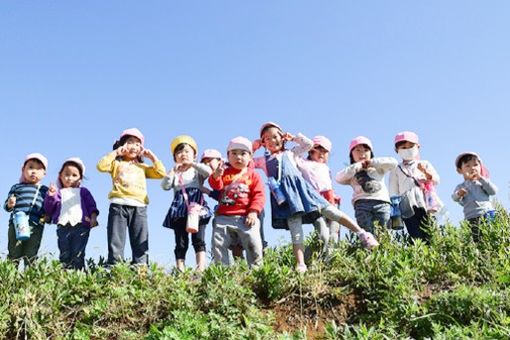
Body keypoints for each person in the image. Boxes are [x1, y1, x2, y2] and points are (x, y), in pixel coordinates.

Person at [253, 122, 379, 273]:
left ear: (282, 137)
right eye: (267, 139)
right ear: (263, 143)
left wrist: (294, 137)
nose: (272, 141)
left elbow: (308, 144)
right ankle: (301, 264)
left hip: (304, 191)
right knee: (296, 228)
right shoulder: (264, 161)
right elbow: (248, 163)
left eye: (275, 136)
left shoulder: (291, 153)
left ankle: (362, 233)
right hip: (286, 198)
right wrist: (254, 147)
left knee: (331, 211)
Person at [97, 128, 165, 266]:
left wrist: (153, 158)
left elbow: (161, 173)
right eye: (130, 142)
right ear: (122, 145)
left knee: (140, 241)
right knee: (116, 241)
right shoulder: (116, 164)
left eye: (138, 143)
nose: (134, 146)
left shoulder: (143, 167)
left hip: (139, 207)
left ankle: (141, 272)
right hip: (118, 205)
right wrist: (115, 152)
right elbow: (101, 166)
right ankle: (115, 271)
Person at [209, 137, 265, 268]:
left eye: (243, 153)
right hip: (224, 217)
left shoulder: (253, 175)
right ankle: (222, 271)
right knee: (219, 243)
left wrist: (253, 211)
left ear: (250, 157)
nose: (238, 157)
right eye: (234, 153)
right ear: (227, 156)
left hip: (246, 216)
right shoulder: (224, 173)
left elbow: (259, 195)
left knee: (253, 242)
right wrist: (216, 175)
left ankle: (256, 270)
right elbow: (216, 186)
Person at [161, 135, 212, 272]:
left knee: (199, 239)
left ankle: (200, 268)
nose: (183, 154)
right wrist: (171, 172)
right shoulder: (175, 173)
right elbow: (165, 186)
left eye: (187, 151)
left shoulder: (196, 171)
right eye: (179, 152)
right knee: (181, 242)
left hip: (197, 208)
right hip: (179, 209)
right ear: (175, 157)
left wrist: (193, 164)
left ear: (194, 155)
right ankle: (180, 268)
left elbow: (208, 172)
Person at [44, 158, 99, 270]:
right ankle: (65, 276)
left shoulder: (83, 192)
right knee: (64, 252)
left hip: (81, 226)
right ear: (60, 176)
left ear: (80, 178)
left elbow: (91, 205)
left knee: (78, 253)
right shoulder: (59, 192)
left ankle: (78, 276)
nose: (70, 178)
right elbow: (49, 208)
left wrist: (93, 217)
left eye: (74, 175)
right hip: (63, 225)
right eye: (67, 174)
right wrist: (51, 196)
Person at [336, 136, 397, 234]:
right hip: (361, 205)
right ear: (351, 154)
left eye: (366, 150)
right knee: (367, 234)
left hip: (382, 203)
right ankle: (369, 249)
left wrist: (372, 162)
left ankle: (384, 249)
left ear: (371, 153)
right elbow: (338, 178)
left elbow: (393, 163)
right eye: (358, 150)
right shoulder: (352, 172)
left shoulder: (378, 168)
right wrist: (357, 166)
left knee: (384, 233)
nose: (362, 153)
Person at [388, 131, 440, 242]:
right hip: (406, 202)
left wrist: (425, 172)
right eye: (403, 147)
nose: (407, 149)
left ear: (418, 147)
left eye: (411, 146)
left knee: (429, 227)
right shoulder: (396, 169)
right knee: (414, 230)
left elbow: (436, 179)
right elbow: (393, 189)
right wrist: (395, 207)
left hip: (424, 200)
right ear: (397, 150)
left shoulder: (424, 163)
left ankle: (432, 248)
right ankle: (419, 252)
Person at [297, 135, 341, 254]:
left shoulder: (326, 168)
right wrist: (303, 142)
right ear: (311, 151)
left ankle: (330, 260)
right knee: (322, 234)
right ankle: (307, 258)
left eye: (325, 151)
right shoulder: (304, 163)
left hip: (331, 200)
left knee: (334, 233)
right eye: (317, 150)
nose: (321, 154)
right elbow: (294, 154)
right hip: (315, 202)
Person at [3, 153, 49, 267]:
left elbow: (49, 207)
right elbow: (6, 206)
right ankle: (10, 279)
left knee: (31, 254)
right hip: (16, 225)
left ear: (44, 173)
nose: (34, 171)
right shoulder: (17, 187)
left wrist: (47, 216)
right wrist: (10, 204)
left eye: (38, 169)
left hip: (35, 225)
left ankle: (29, 280)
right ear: (23, 170)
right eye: (30, 167)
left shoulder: (44, 190)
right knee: (14, 252)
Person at [452, 152, 497, 242]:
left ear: (480, 167)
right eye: (467, 166)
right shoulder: (461, 186)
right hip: (471, 218)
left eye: (475, 165)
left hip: (487, 214)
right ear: (460, 170)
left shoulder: (482, 182)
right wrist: (459, 194)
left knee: (491, 238)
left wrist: (480, 178)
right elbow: (454, 198)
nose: (472, 168)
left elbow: (493, 191)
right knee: (477, 241)